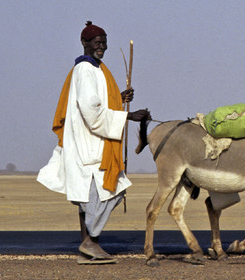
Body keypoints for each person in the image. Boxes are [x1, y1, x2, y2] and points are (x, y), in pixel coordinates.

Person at [37, 21, 150, 265]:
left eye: (104, 42)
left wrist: (118, 100)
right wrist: (127, 115)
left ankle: (89, 248)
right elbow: (91, 109)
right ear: (85, 43)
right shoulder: (86, 70)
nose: (102, 47)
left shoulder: (97, 69)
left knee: (89, 201)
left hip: (93, 141)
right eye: (97, 42)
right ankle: (90, 241)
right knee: (114, 191)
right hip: (90, 144)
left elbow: (97, 102)